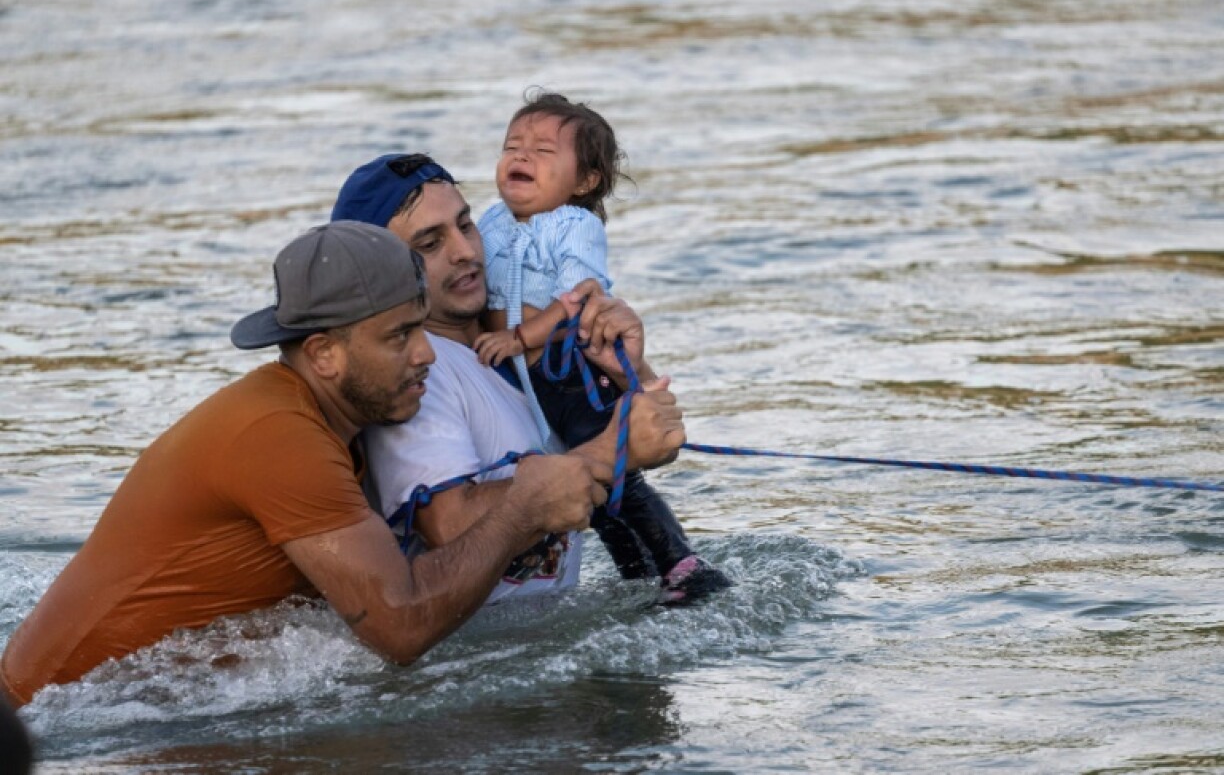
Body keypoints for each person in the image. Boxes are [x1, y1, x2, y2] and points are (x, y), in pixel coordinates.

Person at [0, 221, 686, 709]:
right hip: (59, 717)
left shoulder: (348, 421)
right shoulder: (278, 434)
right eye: (399, 336)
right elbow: (400, 625)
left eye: (423, 326)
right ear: (324, 353)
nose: (426, 354)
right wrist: (525, 508)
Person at [330, 149, 729, 603]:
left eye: (465, 224)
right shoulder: (415, 374)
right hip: (471, 663)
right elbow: (448, 527)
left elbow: (654, 451)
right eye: (429, 245)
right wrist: (608, 450)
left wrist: (629, 373)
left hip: (553, 642)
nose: (466, 253)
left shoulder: (523, 339)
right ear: (375, 274)